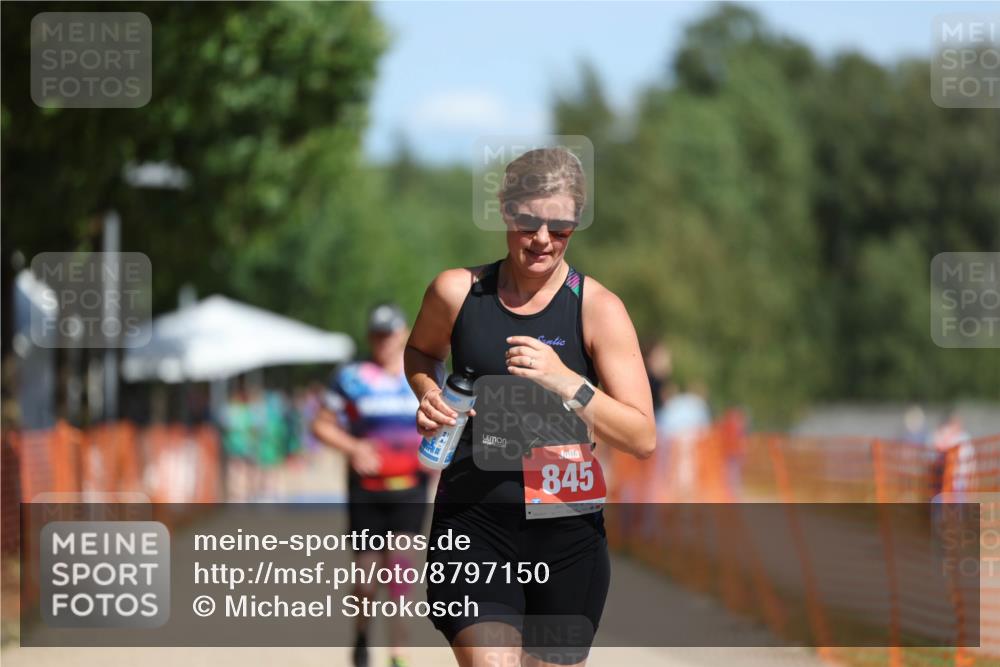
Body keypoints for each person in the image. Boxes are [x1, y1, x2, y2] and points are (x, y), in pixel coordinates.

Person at [404, 147, 656, 667]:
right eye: (529, 223)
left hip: (566, 531)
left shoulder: (597, 309)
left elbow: (641, 437)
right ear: (505, 211)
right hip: (474, 520)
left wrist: (568, 382)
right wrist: (428, 391)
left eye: (560, 227)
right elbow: (420, 352)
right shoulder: (458, 292)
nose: (543, 239)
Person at [312, 303, 426, 667]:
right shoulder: (351, 377)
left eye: (390, 333)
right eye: (377, 334)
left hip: (410, 486)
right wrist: (354, 446)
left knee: (400, 571)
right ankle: (361, 638)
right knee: (365, 580)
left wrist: (438, 455)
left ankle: (399, 653)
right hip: (367, 490)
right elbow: (321, 425)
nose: (384, 341)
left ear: (404, 333)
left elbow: (447, 422)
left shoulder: (423, 375)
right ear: (369, 337)